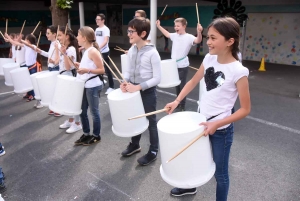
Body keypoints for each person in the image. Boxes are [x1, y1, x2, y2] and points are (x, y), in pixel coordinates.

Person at [164, 17, 251, 200]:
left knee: (220, 174)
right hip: (201, 122)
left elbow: (244, 109)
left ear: (230, 41)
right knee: (194, 159)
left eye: (213, 38)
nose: (208, 42)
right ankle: (189, 187)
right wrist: (177, 101)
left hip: (221, 131)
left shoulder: (238, 71)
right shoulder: (209, 58)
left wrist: (217, 123)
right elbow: (193, 81)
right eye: (208, 37)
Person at [120, 17, 161, 166]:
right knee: (136, 118)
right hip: (134, 89)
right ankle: (135, 144)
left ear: (143, 33)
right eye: (128, 31)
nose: (129, 34)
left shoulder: (152, 53)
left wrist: (138, 87)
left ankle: (153, 151)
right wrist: (124, 81)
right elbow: (129, 70)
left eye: (132, 32)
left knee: (151, 122)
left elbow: (157, 78)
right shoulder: (132, 50)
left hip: (147, 92)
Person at [156, 17, 203, 111]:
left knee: (182, 86)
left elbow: (198, 40)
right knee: (176, 85)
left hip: (182, 66)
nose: (175, 27)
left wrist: (199, 32)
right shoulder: (175, 36)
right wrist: (158, 26)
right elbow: (167, 34)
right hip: (174, 65)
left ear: (184, 26)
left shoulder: (189, 37)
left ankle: (182, 106)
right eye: (175, 26)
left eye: (178, 26)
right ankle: (178, 103)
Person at [74, 26, 105, 146]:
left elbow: (102, 70)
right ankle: (86, 134)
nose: (76, 37)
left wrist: (87, 70)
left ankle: (96, 135)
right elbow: (89, 66)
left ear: (84, 38)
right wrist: (80, 65)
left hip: (92, 86)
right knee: (82, 111)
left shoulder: (93, 51)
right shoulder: (87, 51)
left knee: (94, 112)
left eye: (78, 34)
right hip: (85, 85)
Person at [55, 26, 82, 134]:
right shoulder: (65, 48)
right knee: (67, 100)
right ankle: (71, 120)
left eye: (60, 35)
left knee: (72, 101)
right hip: (64, 76)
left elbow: (67, 67)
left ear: (66, 36)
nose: (58, 38)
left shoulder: (70, 49)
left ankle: (77, 123)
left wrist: (64, 53)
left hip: (69, 76)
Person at [36, 25, 61, 116]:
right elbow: (49, 55)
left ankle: (58, 109)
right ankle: (53, 107)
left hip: (55, 68)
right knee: (52, 89)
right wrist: (40, 52)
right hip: (51, 68)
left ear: (54, 34)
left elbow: (59, 59)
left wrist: (54, 62)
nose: (46, 35)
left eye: (48, 33)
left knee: (55, 89)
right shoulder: (52, 43)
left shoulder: (57, 44)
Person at [5, 33, 38, 102]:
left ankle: (33, 95)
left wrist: (21, 40)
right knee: (27, 81)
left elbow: (26, 44)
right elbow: (15, 43)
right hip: (27, 66)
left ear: (28, 41)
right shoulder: (25, 46)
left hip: (32, 67)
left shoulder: (33, 46)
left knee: (31, 82)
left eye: (26, 39)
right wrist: (9, 38)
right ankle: (29, 93)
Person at [95, 13, 114, 95]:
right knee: (97, 67)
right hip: (98, 51)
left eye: (98, 19)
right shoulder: (97, 29)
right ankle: (102, 80)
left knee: (107, 69)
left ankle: (112, 87)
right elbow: (95, 40)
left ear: (103, 20)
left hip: (104, 52)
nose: (97, 21)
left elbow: (105, 41)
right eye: (96, 19)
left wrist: (98, 48)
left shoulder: (106, 29)